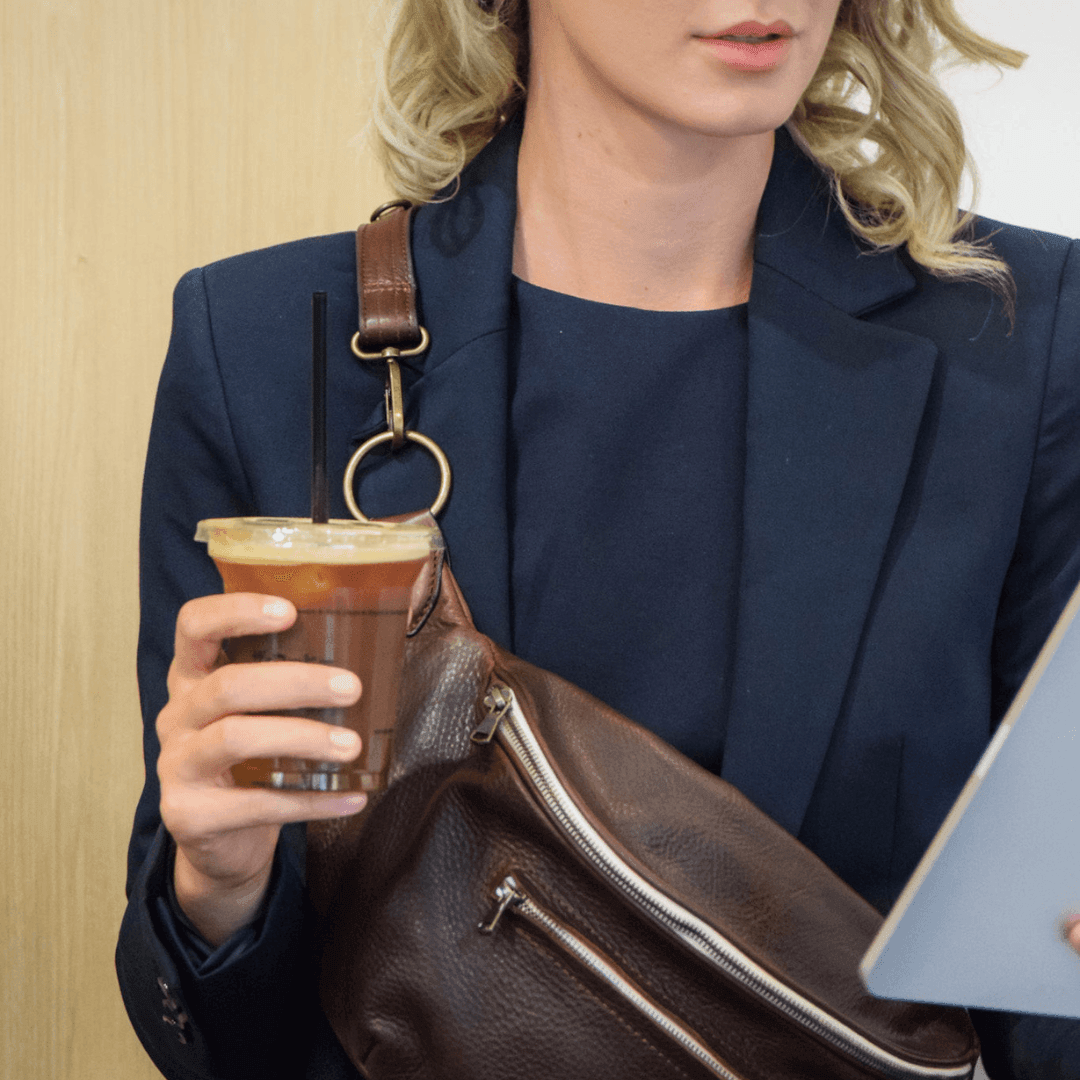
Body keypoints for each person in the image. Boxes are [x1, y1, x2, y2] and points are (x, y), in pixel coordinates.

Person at [116, 0, 1080, 1077]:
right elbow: (228, 1036)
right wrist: (218, 887)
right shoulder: (260, 345)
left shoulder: (1028, 339)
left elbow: (1044, 987)